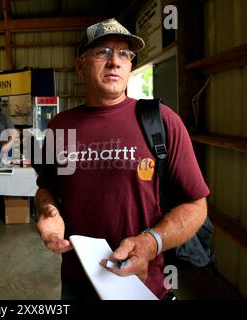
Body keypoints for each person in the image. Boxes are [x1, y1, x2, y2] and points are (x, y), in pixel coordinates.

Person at [35, 18, 210, 300]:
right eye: (102, 51)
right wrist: (47, 211)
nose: (115, 61)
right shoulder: (61, 126)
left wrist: (150, 243)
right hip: (76, 285)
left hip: (142, 286)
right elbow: (48, 189)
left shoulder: (161, 121)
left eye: (124, 54)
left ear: (130, 66)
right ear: (80, 65)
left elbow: (196, 206)